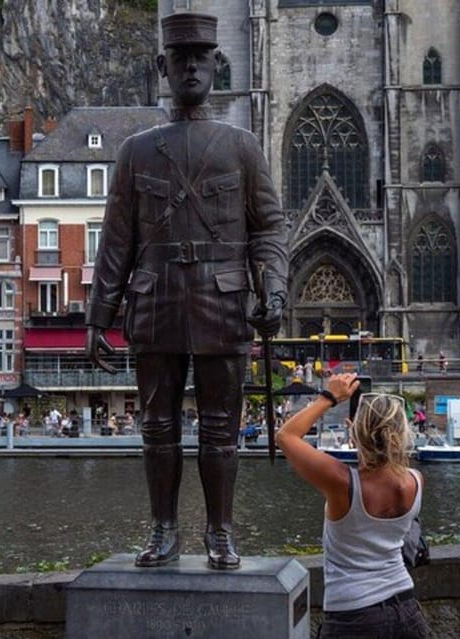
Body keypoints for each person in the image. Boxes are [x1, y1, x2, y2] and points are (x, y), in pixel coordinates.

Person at [86, 11, 288, 570]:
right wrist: (97, 318)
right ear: (163, 68)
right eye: (182, 58)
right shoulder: (135, 151)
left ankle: (220, 532)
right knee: (157, 426)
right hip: (156, 303)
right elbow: (116, 242)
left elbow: (270, 228)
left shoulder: (243, 147)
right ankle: (164, 528)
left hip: (223, 304)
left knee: (222, 430)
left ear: (217, 67)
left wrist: (272, 290)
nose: (193, 67)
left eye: (203, 57)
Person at [276, 373, 429, 638]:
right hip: (406, 609)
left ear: (354, 431)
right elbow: (387, 462)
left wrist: (330, 396)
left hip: (353, 617)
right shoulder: (415, 481)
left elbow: (286, 436)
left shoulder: (343, 484)